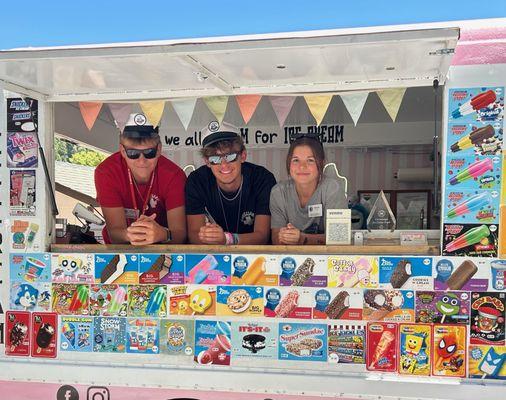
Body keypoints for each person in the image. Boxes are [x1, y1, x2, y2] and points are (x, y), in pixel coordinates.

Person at [95, 113, 186, 245]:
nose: (142, 161)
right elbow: (114, 233)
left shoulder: (174, 175)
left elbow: (180, 234)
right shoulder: (106, 172)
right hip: (120, 248)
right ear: (122, 151)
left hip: (163, 248)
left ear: (159, 149)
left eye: (149, 153)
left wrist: (163, 234)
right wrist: (130, 234)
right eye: (133, 153)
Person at [185, 121, 276, 245]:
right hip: (213, 257)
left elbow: (262, 236)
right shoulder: (197, 181)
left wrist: (227, 239)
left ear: (243, 156)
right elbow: (194, 235)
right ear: (207, 161)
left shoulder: (262, 179)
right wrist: (207, 236)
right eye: (215, 159)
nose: (224, 165)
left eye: (230, 156)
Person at [270, 134, 347, 245]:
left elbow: (339, 238)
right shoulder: (278, 192)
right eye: (296, 160)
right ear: (288, 163)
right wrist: (284, 236)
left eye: (310, 160)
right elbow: (276, 239)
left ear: (321, 163)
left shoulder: (332, 188)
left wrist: (301, 238)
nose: (302, 166)